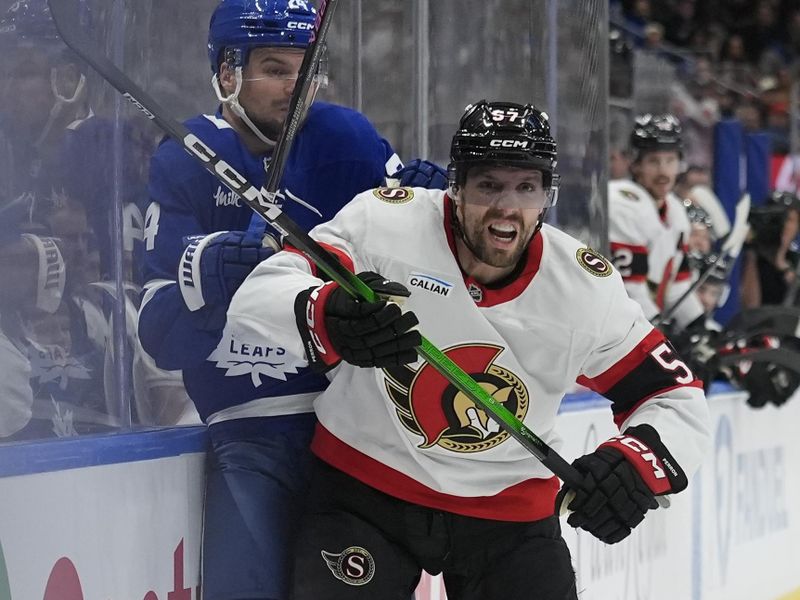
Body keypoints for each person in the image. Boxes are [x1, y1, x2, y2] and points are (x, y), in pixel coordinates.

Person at [226, 100, 711, 599]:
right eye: (488, 185)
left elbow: (674, 393)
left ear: (548, 196)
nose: (506, 206)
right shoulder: (382, 223)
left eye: (526, 187)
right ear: (455, 187)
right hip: (364, 491)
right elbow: (259, 298)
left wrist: (635, 463)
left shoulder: (583, 290)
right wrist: (327, 313)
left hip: (507, 516)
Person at [135, 1, 446, 598]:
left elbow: (422, 253)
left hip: (360, 426)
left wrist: (440, 210)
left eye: (305, 70)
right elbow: (158, 330)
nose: (294, 87)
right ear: (228, 71)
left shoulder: (345, 139)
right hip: (251, 429)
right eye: (275, 68)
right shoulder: (188, 155)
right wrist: (214, 267)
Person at [608, 113, 706, 331]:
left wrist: (697, 325)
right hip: (611, 333)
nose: (663, 172)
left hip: (641, 325)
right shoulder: (620, 203)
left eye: (670, 161)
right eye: (653, 161)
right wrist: (660, 331)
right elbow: (628, 288)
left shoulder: (675, 210)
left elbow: (677, 286)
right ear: (635, 165)